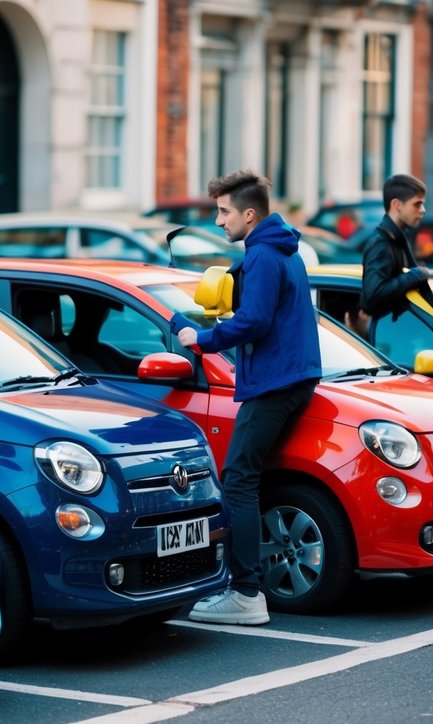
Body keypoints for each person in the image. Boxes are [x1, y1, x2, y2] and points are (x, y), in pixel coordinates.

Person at [177, 169, 322, 626]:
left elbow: (255, 321)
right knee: (252, 476)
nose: (219, 221)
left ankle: (244, 593)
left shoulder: (263, 253)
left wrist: (200, 338)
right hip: (296, 378)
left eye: (224, 212)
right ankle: (245, 583)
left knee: (237, 478)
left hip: (275, 383)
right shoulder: (282, 249)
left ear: (249, 213)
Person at [361, 173, 430, 318]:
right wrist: (416, 274)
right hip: (382, 336)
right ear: (396, 205)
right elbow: (373, 296)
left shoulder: (399, 237)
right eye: (417, 204)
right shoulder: (381, 243)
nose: (423, 209)